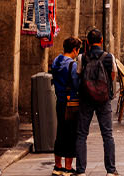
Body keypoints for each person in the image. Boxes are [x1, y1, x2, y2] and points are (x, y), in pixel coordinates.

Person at [74, 29, 117, 174]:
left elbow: (78, 74)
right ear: (102, 40)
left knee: (81, 134)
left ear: (87, 42)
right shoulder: (109, 57)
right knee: (107, 134)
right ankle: (110, 170)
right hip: (103, 99)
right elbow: (113, 75)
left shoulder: (82, 57)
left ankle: (80, 170)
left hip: (86, 98)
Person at [49, 37, 84, 172]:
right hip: (71, 103)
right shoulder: (72, 65)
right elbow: (76, 84)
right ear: (74, 50)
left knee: (60, 132)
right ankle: (68, 167)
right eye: (78, 50)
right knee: (70, 134)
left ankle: (57, 165)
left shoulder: (56, 61)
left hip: (60, 100)